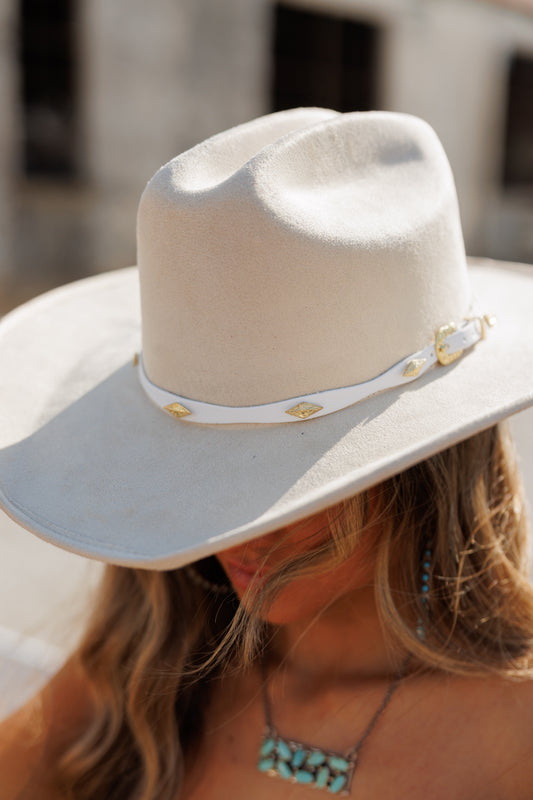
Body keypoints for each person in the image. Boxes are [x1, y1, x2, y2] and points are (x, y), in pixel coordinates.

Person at [0, 108, 532, 800]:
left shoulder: (514, 728)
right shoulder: (139, 673)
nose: (235, 525)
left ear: (421, 468)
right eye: (202, 465)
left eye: (290, 474)